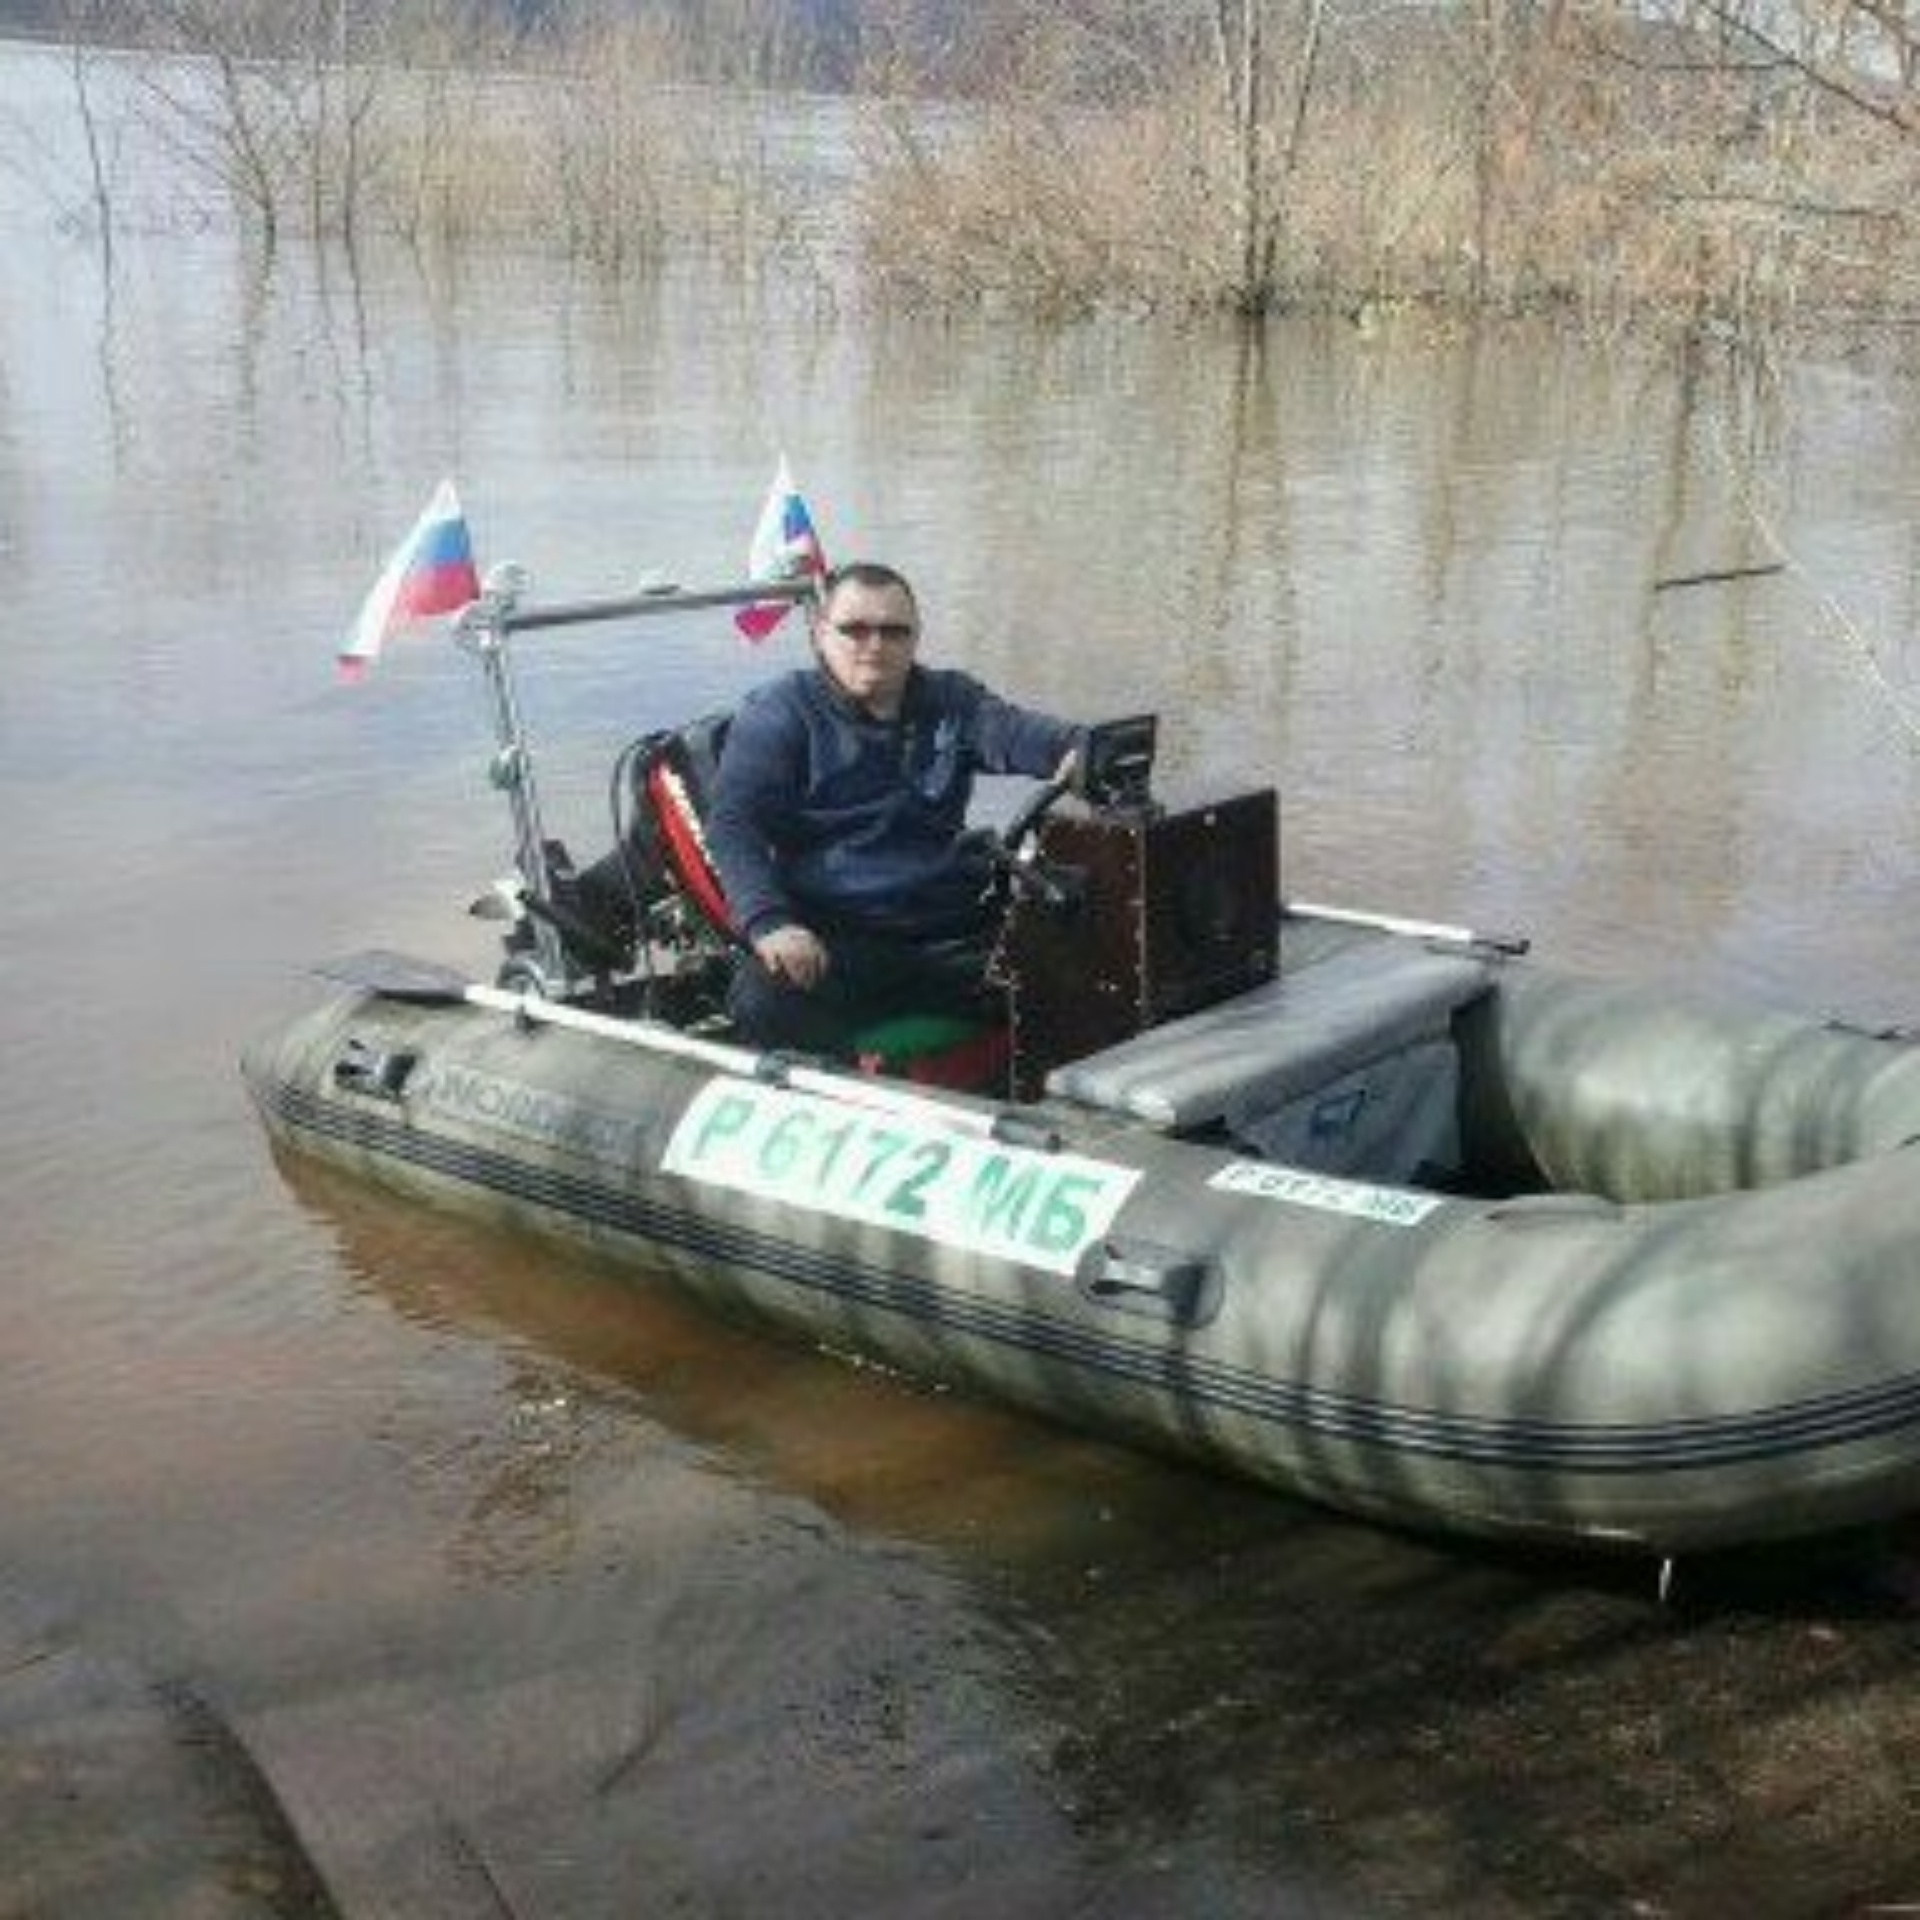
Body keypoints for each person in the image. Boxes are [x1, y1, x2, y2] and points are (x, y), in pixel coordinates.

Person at [707, 561, 1081, 1055]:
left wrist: (1080, 750)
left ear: (916, 638)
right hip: (837, 941)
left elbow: (1022, 736)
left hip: (951, 936)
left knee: (1092, 947)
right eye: (855, 629)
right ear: (821, 634)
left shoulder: (953, 700)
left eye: (893, 631)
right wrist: (770, 923)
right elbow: (734, 827)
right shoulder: (779, 713)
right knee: (763, 998)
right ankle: (838, 1106)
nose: (875, 645)